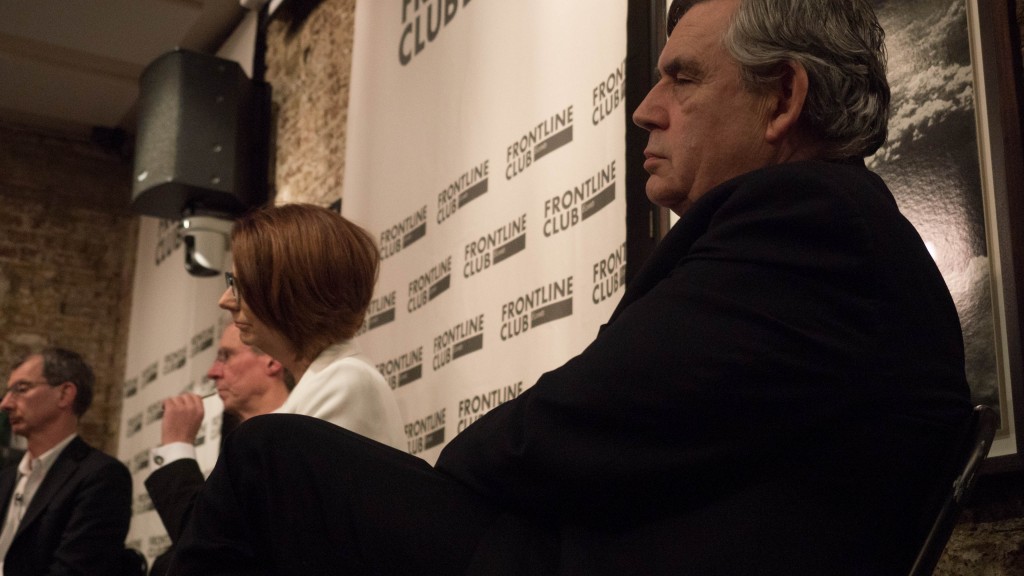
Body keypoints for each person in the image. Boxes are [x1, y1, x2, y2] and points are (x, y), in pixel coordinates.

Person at [168, 1, 973, 574]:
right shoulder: (828, 228)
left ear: (783, 99)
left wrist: (456, 472)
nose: (645, 110)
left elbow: (572, 426)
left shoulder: (810, 220)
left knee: (274, 459)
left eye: (682, 79)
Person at [218, 203, 406, 448]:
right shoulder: (323, 385)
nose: (225, 301)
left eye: (240, 286)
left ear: (293, 292)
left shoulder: (343, 383)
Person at [145, 323, 292, 576]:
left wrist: (177, 445)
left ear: (272, 361)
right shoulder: (238, 447)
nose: (213, 373)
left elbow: (211, 549)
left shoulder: (294, 443)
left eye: (226, 356)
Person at [0, 348, 132, 575]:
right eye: (7, 392)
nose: (5, 404)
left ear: (65, 394)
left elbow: (76, 569)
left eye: (21, 389)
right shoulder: (5, 479)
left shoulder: (101, 476)